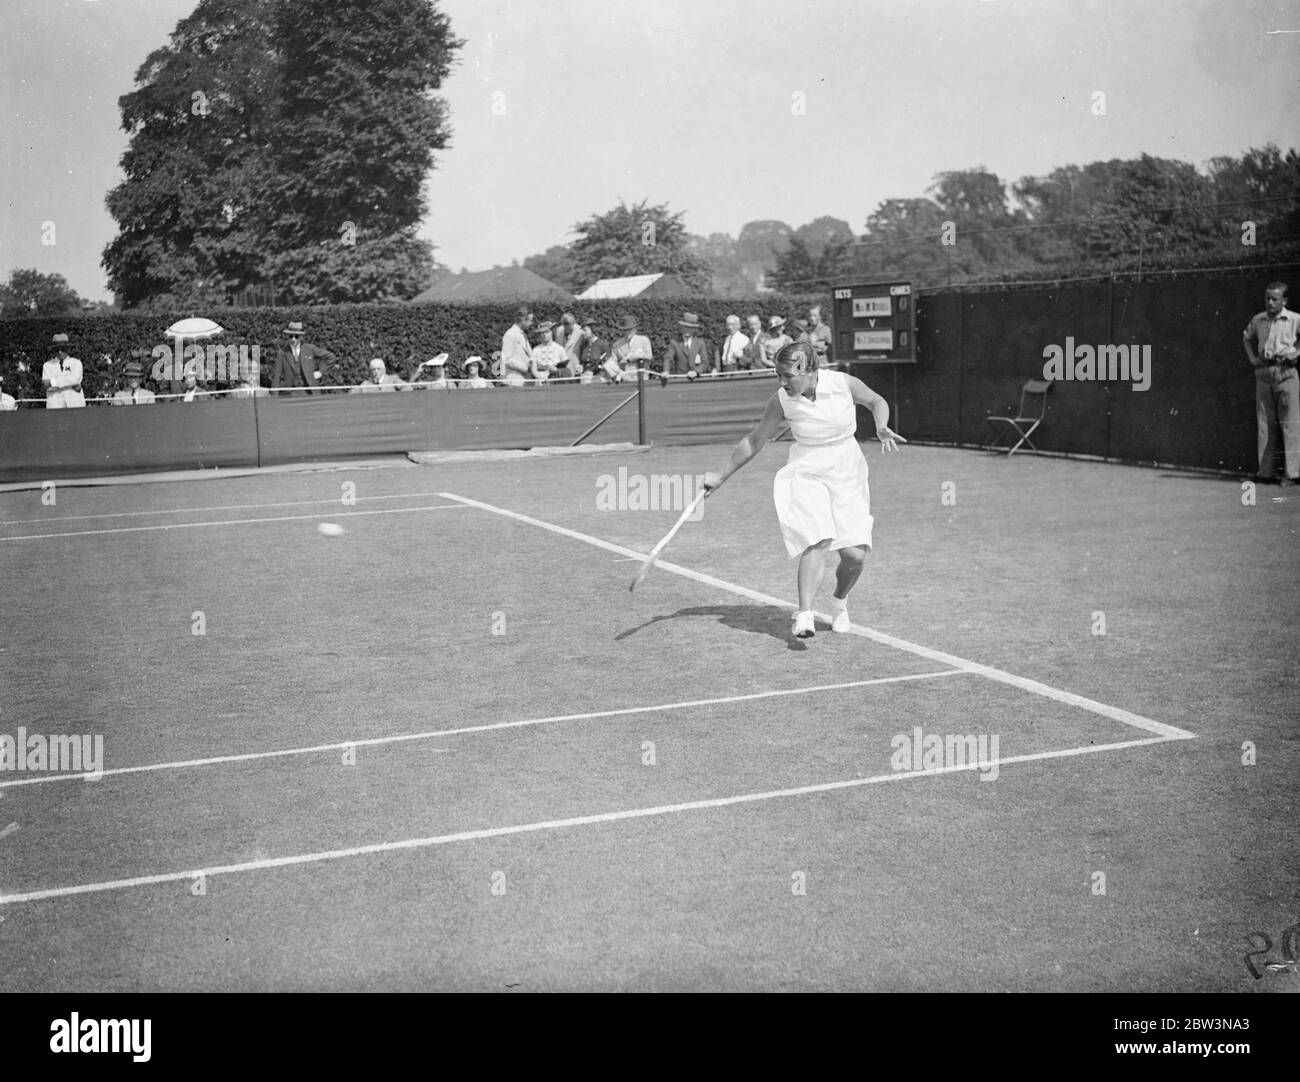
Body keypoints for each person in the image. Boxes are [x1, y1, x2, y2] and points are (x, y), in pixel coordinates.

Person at [703, 341, 906, 639]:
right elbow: (755, 440)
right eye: (778, 375)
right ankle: (805, 614)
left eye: (788, 375)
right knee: (818, 539)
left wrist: (881, 425)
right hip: (807, 470)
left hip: (848, 470)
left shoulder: (842, 383)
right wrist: (720, 476)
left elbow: (877, 402)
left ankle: (839, 601)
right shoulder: (781, 401)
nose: (782, 382)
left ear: (811, 371)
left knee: (854, 557)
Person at [1243, 280, 1299, 486]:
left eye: (1274, 299)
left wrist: (1296, 352)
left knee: (1290, 423)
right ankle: (1264, 472)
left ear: (1284, 300)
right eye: (1267, 298)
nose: (1270, 302)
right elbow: (1246, 337)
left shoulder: (1295, 319)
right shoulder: (1258, 320)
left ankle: (1292, 474)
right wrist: (1252, 359)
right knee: (1265, 423)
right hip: (1264, 373)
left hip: (1287, 373)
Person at [271, 321, 336, 395]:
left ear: (301, 337)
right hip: (290, 393)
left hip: (309, 391)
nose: (293, 339)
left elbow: (331, 357)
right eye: (290, 336)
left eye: (296, 337)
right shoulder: (282, 352)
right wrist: (274, 396)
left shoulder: (310, 349)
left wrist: (320, 371)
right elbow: (276, 376)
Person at [664, 312, 714, 379]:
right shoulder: (674, 342)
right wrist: (666, 371)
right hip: (680, 381)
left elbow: (705, 362)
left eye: (690, 328)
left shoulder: (700, 343)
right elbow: (668, 358)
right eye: (685, 327)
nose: (687, 330)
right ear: (681, 327)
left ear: (694, 329)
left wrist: (696, 371)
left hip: (697, 381)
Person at [42, 333, 86, 408]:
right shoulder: (47, 365)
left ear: (68, 349)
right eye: (57, 349)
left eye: (63, 349)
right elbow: (46, 385)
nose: (60, 352)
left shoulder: (76, 363)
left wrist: (52, 382)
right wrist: (71, 384)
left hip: (75, 405)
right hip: (55, 406)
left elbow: (75, 379)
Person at [610, 315, 652, 382]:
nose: (628, 332)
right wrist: (619, 373)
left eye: (630, 329)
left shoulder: (644, 340)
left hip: (643, 379)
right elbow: (612, 363)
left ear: (635, 329)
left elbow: (649, 355)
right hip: (626, 381)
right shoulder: (617, 345)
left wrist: (632, 357)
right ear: (622, 330)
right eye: (626, 330)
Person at [501, 306, 535, 386]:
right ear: (523, 320)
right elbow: (507, 359)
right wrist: (526, 367)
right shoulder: (510, 335)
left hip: (525, 378)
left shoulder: (522, 334)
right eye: (530, 321)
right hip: (514, 378)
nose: (532, 323)